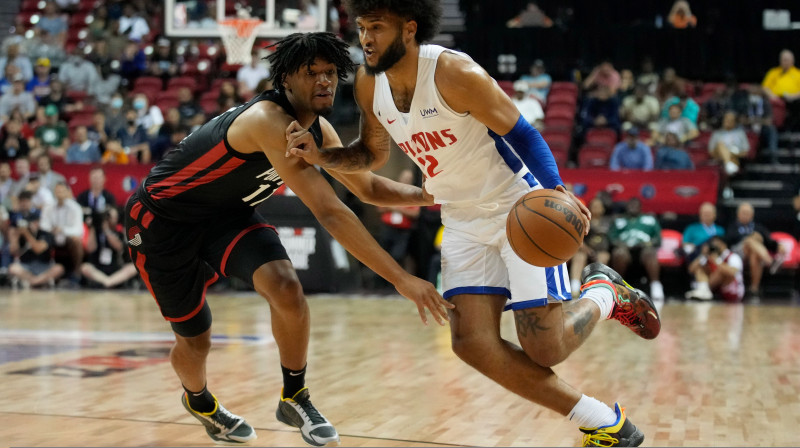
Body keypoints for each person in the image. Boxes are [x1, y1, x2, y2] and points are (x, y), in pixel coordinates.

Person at [286, 3, 661, 446]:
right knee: (471, 344)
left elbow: (523, 133)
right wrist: (321, 156)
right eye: (363, 27)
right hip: (459, 217)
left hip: (515, 208)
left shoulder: (453, 73)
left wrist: (557, 189)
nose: (365, 38)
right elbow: (372, 154)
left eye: (377, 28)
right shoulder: (369, 84)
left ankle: (604, 292)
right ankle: (605, 422)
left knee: (546, 347)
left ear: (409, 29)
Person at [123, 32, 451, 446]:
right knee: (196, 338)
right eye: (311, 72)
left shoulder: (320, 128)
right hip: (162, 223)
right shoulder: (268, 121)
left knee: (286, 287)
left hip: (225, 216)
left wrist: (426, 195)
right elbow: (330, 211)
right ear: (286, 80)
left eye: (331, 72)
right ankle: (200, 401)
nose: (325, 80)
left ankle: (294, 395)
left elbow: (366, 188)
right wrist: (402, 279)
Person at [608, 198, 665, 301]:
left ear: (640, 207)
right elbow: (611, 238)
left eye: (635, 205)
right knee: (619, 253)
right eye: (630, 205)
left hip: (643, 250)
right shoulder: (619, 220)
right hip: (626, 250)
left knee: (650, 252)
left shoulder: (650, 219)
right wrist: (620, 244)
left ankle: (656, 285)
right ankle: (618, 286)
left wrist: (648, 244)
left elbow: (658, 239)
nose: (632, 207)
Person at [725, 202, 784, 300]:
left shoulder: (758, 227)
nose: (745, 215)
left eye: (747, 213)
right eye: (743, 213)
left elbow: (768, 241)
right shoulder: (733, 226)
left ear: (752, 215)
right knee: (751, 239)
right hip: (737, 253)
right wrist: (749, 238)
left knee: (755, 254)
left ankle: (754, 289)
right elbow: (729, 240)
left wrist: (778, 246)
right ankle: (770, 261)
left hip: (753, 253)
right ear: (738, 214)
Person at [80, 207, 138, 288]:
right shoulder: (96, 232)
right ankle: (107, 282)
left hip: (115, 268)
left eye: (114, 216)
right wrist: (92, 228)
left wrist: (106, 230)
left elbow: (119, 247)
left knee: (133, 268)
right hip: (98, 267)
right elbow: (90, 248)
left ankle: (108, 282)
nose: (113, 218)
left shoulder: (119, 233)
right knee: (84, 267)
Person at [685, 236, 744, 302]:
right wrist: (702, 255)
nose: (715, 246)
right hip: (715, 290)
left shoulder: (733, 257)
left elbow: (732, 273)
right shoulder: (710, 256)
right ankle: (703, 291)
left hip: (732, 291)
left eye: (717, 244)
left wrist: (716, 261)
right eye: (713, 244)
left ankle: (704, 290)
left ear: (724, 244)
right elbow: (691, 270)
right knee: (700, 269)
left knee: (721, 271)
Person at [762, 49, 800, 131]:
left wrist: (793, 96)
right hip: (775, 100)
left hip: (793, 101)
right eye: (783, 60)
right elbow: (765, 87)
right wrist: (772, 96)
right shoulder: (773, 72)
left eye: (787, 60)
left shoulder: (798, 73)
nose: (785, 62)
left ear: (792, 61)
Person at [708, 110, 749, 176]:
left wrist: (730, 154)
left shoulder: (740, 133)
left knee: (732, 157)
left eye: (731, 120)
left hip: (736, 157)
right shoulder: (717, 134)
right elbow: (712, 152)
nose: (728, 122)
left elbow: (745, 151)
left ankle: (728, 165)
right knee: (720, 144)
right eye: (726, 119)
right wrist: (725, 154)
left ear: (735, 122)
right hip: (719, 157)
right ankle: (728, 164)